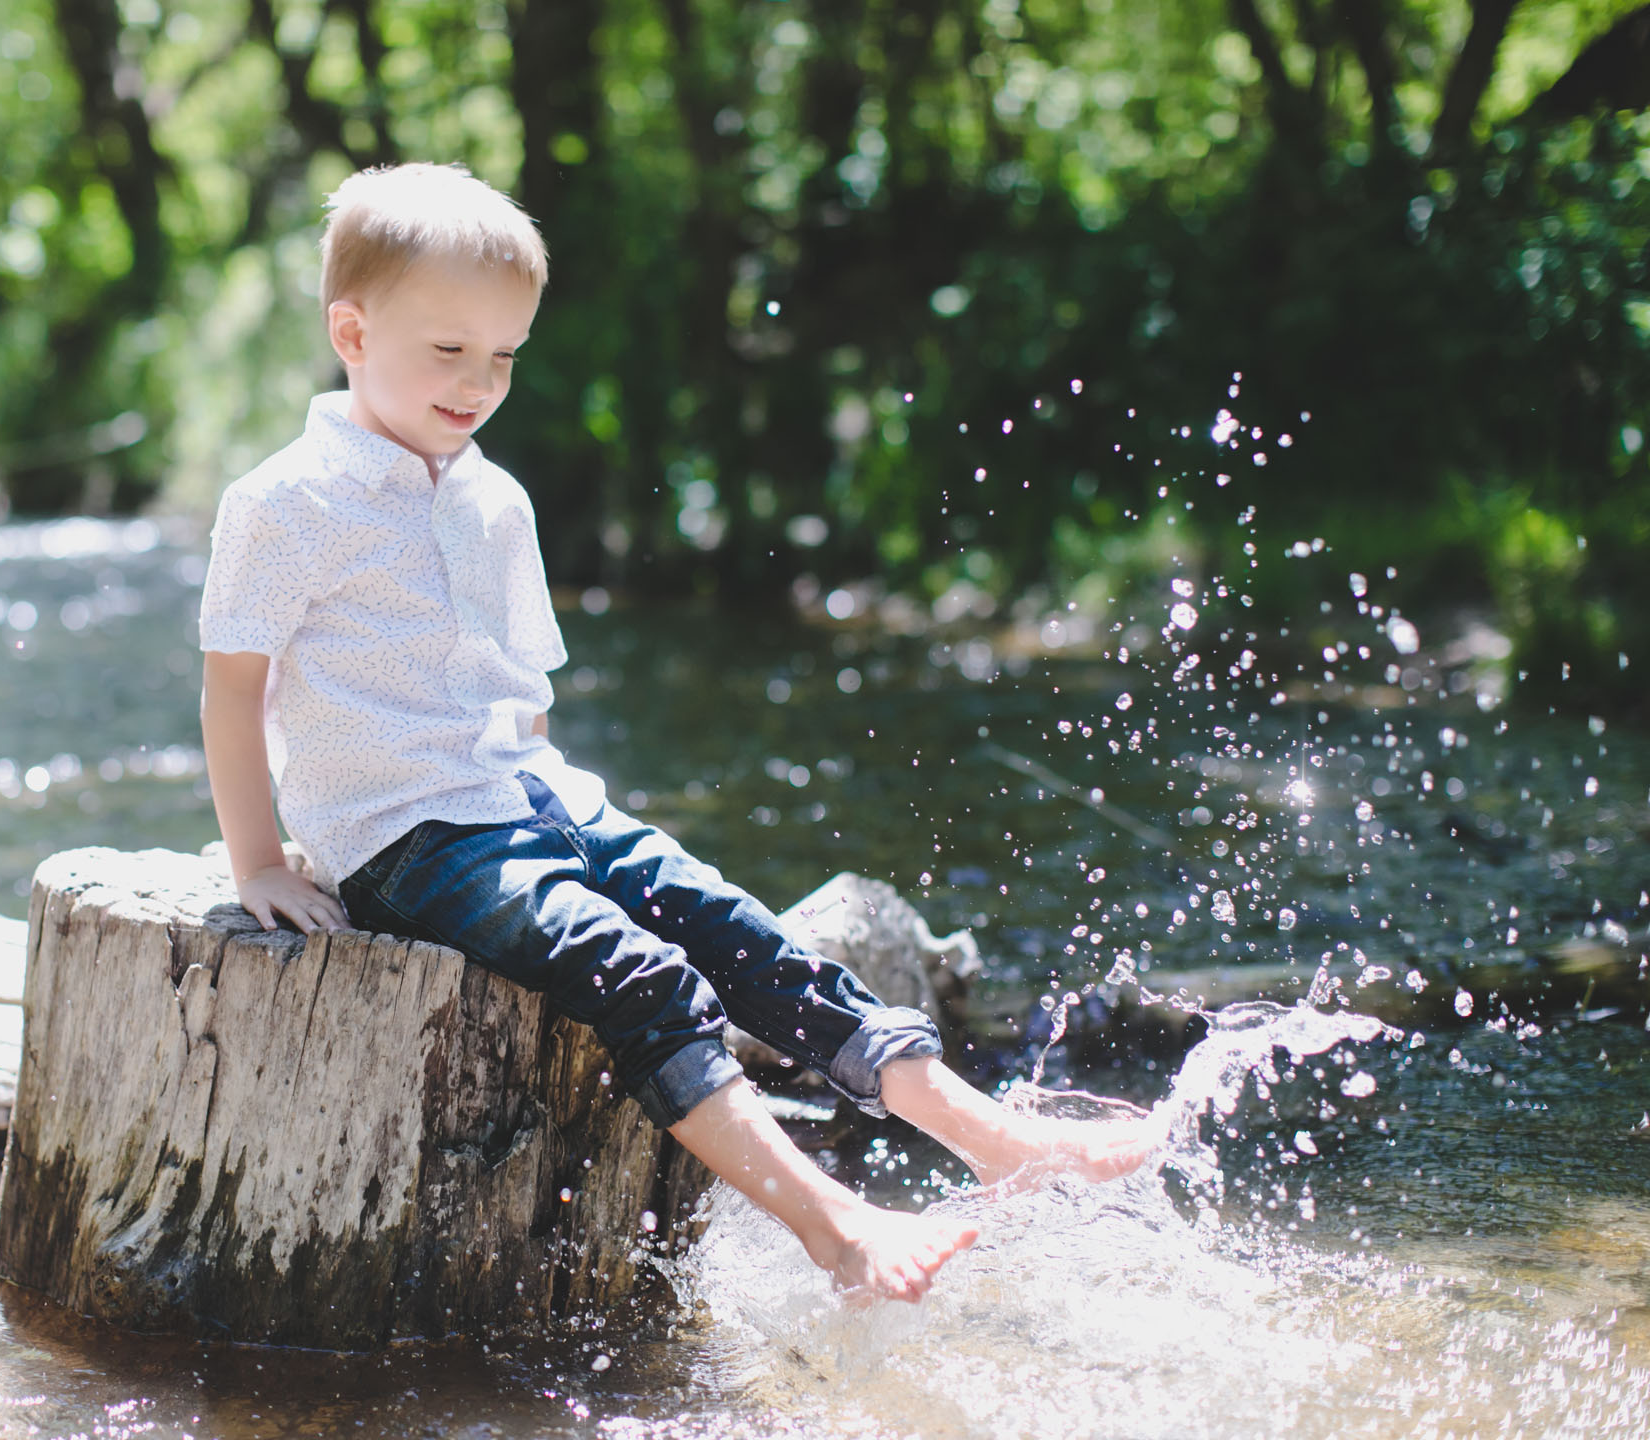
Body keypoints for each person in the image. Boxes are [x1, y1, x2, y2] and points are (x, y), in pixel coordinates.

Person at [197, 162, 1160, 1303]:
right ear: (350, 330)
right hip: (408, 834)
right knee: (639, 973)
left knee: (733, 926)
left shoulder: (494, 499)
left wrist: (571, 821)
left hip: (536, 795)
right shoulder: (286, 501)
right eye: (449, 350)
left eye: (504, 354)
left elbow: (524, 683)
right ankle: (838, 1227)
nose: (480, 381)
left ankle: (990, 1136)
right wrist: (259, 858)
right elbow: (233, 687)